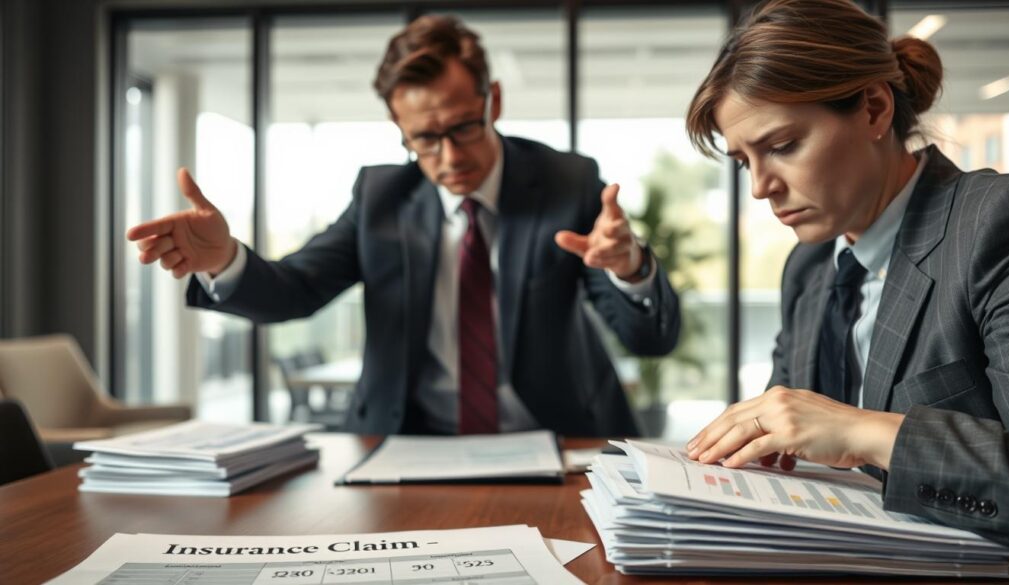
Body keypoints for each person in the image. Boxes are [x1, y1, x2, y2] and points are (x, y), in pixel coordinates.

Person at [126, 15, 681, 437]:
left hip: (556, 438)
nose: (448, 157)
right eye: (424, 139)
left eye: (464, 127)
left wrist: (630, 268)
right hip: (410, 444)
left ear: (494, 100)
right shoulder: (380, 198)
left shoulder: (567, 182)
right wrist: (226, 259)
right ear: (399, 126)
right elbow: (295, 290)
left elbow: (650, 339)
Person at [683, 0, 1009, 548]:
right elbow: (785, 433)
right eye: (746, 161)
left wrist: (864, 431)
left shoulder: (996, 224)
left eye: (782, 146)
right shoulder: (809, 266)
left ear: (872, 109)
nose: (760, 187)